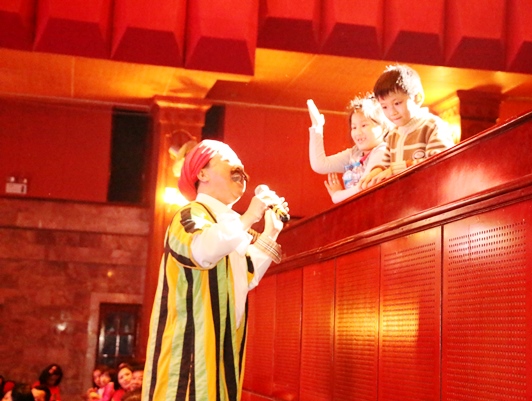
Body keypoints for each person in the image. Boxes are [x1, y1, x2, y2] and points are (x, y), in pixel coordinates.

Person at [142, 140, 286, 401]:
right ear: (202, 173)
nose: (240, 168)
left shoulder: (230, 225)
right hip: (187, 360)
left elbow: (245, 275)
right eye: (229, 160)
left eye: (241, 164)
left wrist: (271, 232)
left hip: (221, 354)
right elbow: (203, 249)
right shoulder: (189, 214)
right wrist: (249, 217)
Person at [359, 64, 456, 189]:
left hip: (430, 194)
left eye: (397, 103)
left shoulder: (432, 126)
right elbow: (386, 166)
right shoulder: (393, 135)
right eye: (385, 107)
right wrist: (376, 171)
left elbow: (440, 162)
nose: (392, 112)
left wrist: (397, 169)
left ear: (417, 98)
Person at [307, 94, 393, 203]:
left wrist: (336, 195)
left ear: (384, 127)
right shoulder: (355, 152)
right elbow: (320, 164)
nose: (358, 132)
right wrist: (317, 127)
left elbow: (362, 188)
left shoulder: (382, 151)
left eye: (364, 125)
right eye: (354, 127)